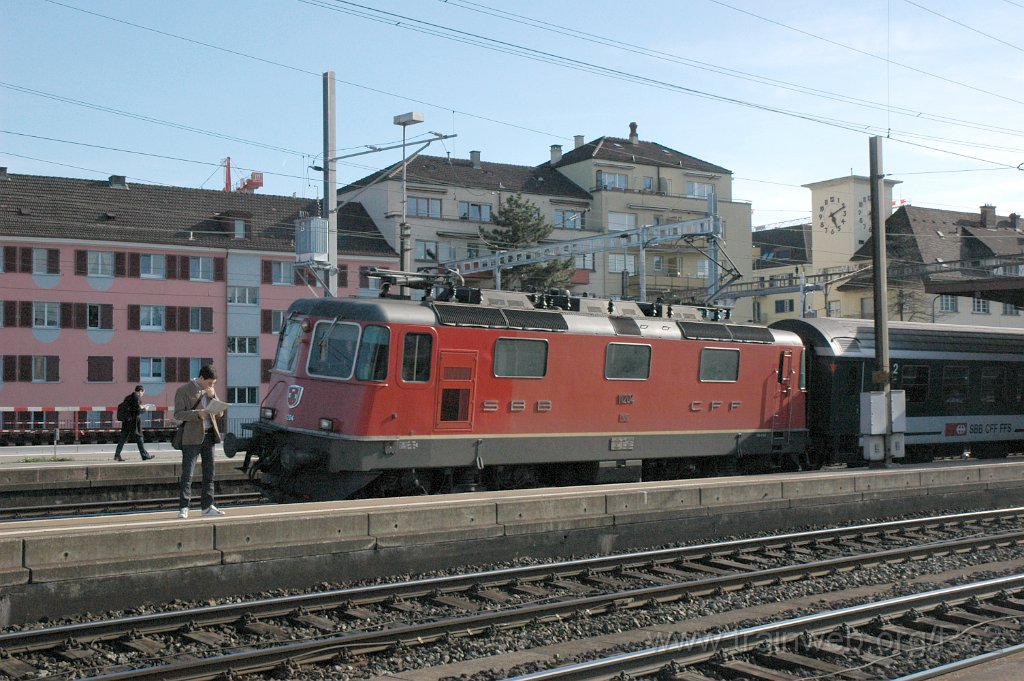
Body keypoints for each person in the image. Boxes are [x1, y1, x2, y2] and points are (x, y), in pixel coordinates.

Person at [173, 365, 225, 519]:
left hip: (209, 436)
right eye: (210, 383)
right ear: (201, 378)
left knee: (209, 473)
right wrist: (197, 414)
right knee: (187, 474)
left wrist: (213, 396)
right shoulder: (183, 390)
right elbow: (178, 414)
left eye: (214, 383)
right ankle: (184, 507)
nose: (212, 386)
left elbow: (220, 412)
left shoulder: (211, 391)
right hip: (191, 437)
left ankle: (207, 506)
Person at [114, 384, 154, 461]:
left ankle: (117, 455)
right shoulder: (136, 397)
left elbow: (131, 408)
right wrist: (145, 409)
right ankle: (145, 455)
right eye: (143, 393)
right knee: (139, 438)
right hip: (134, 421)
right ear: (140, 391)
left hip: (126, 421)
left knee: (122, 439)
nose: (143, 395)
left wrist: (141, 406)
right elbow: (137, 411)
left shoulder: (128, 397)